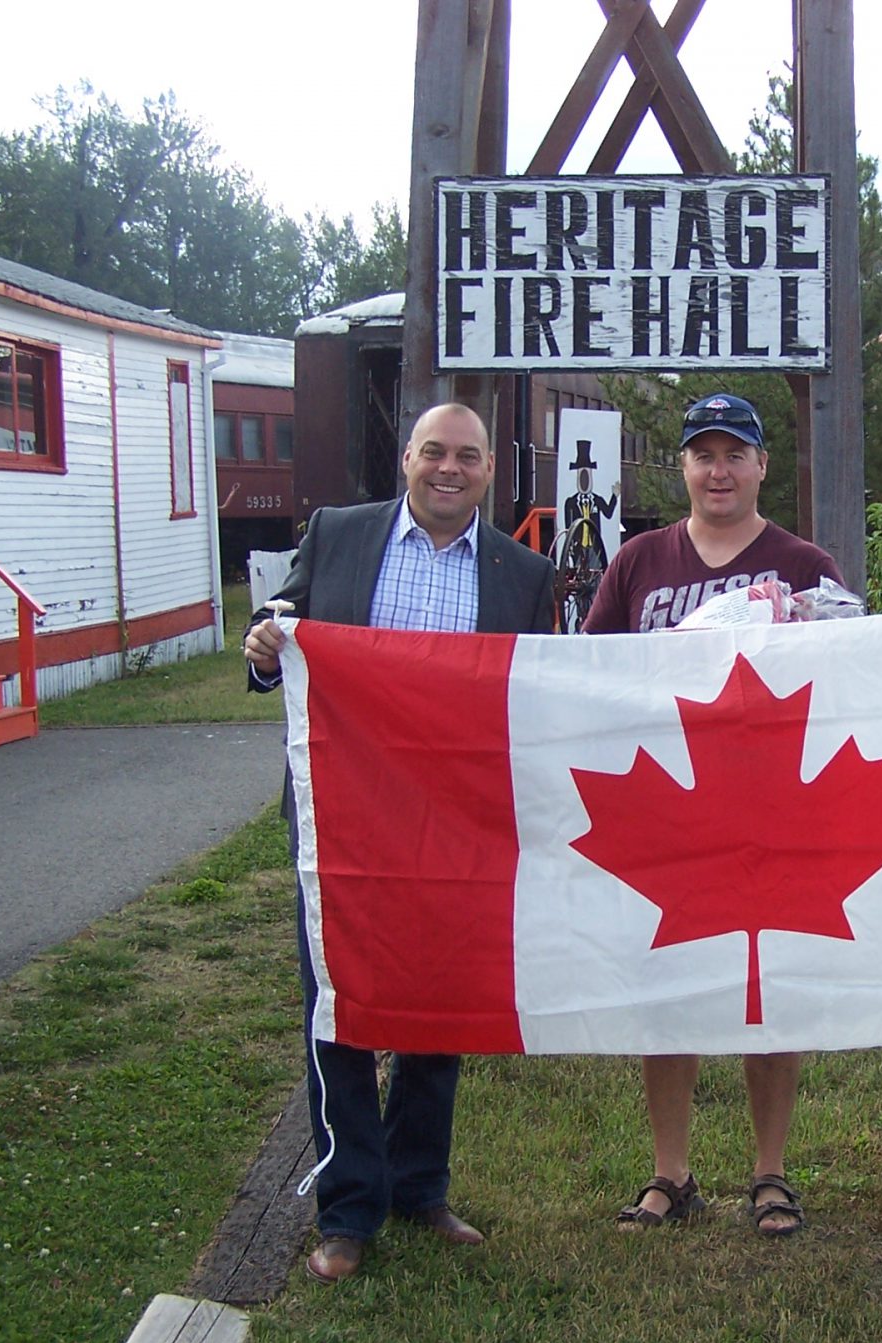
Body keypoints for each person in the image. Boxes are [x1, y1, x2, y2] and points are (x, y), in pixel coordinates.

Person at [243, 402, 557, 1283]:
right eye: (432, 453)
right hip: (345, 823)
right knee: (337, 1004)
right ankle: (348, 1208)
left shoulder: (522, 574)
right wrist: (267, 648)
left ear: (490, 470)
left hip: (457, 825)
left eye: (466, 456)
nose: (447, 470)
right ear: (407, 459)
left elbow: (536, 696)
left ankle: (421, 1186)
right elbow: (280, 632)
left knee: (438, 1006)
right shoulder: (338, 536)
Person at [583, 392, 842, 1236]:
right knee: (672, 981)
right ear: (685, 468)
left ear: (763, 466)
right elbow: (586, 675)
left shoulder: (804, 563)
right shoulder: (639, 563)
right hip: (670, 807)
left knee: (770, 988)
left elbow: (852, 678)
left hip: (774, 809)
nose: (719, 470)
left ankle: (770, 1173)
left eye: (736, 454)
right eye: (704, 454)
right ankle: (672, 1173)